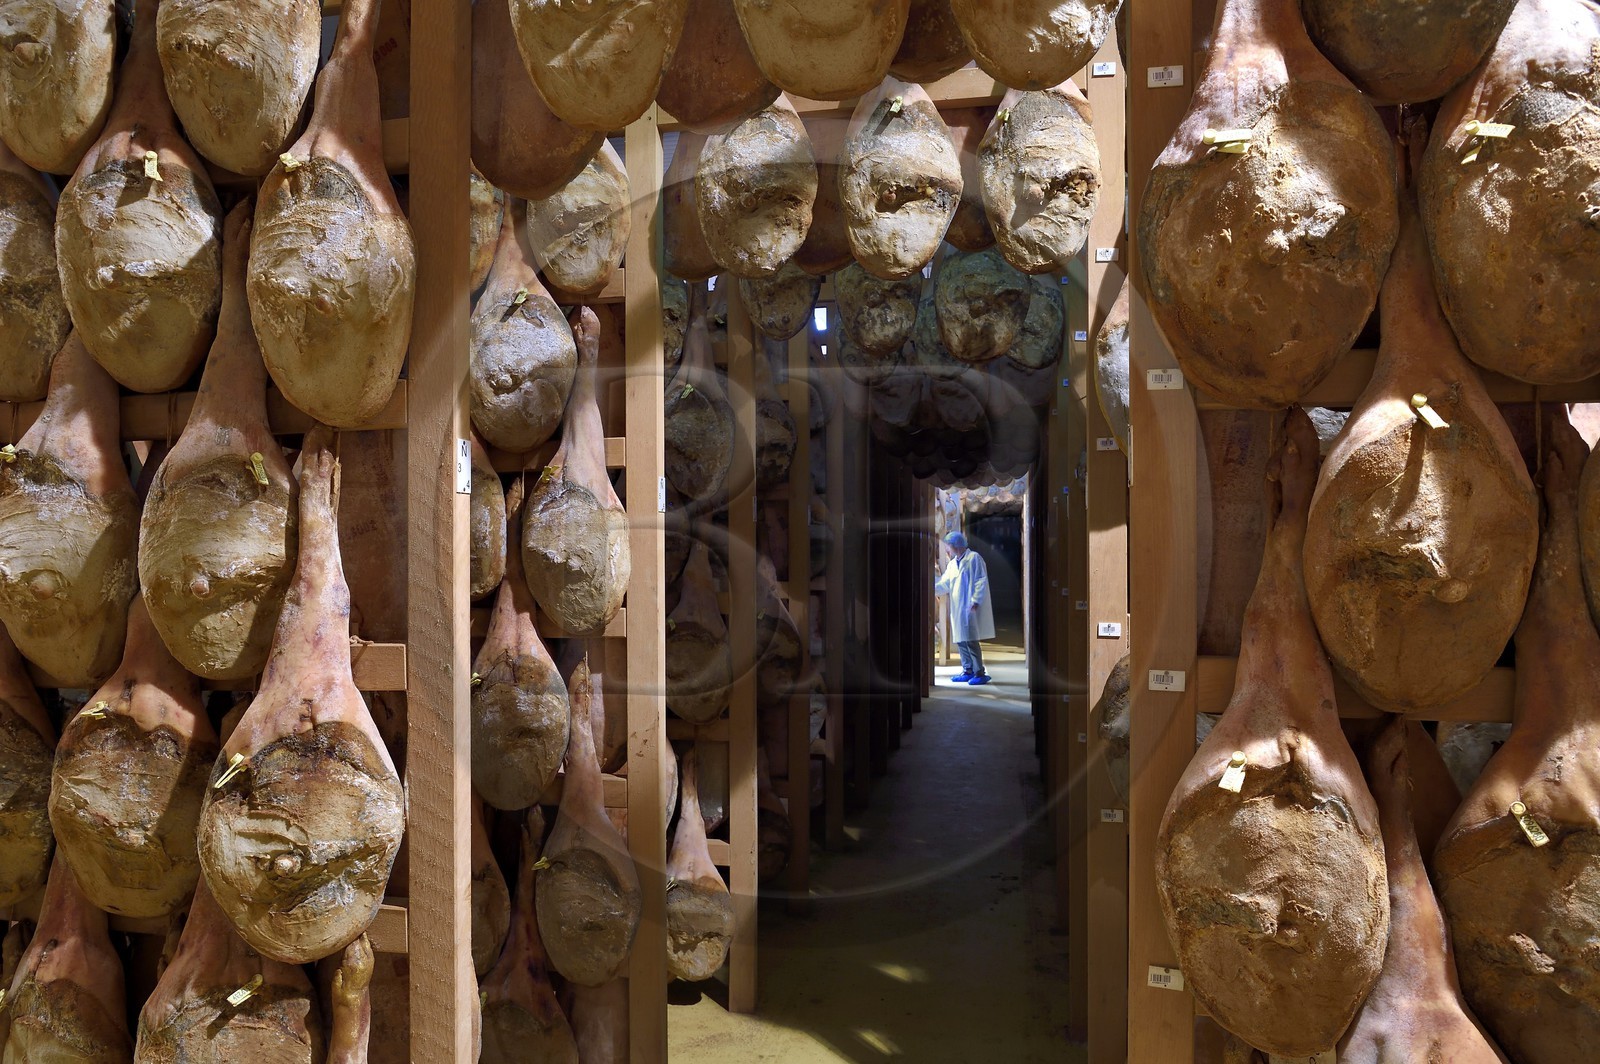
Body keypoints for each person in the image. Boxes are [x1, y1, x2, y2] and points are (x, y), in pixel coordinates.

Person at [934, 530, 995, 685]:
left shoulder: (974, 558)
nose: (947, 551)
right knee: (961, 640)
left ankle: (979, 672)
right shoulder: (952, 564)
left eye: (948, 547)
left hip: (969, 606)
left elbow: (981, 580)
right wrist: (930, 586)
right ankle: (967, 670)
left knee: (971, 640)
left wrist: (975, 600)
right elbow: (945, 583)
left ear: (956, 545)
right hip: (957, 608)